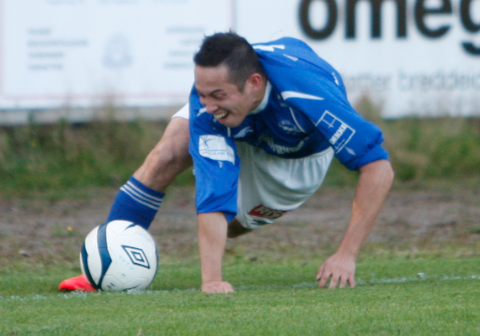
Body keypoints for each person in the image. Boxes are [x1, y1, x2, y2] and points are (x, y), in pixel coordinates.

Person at [60, 33, 394, 292]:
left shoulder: (308, 96)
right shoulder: (209, 102)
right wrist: (212, 281)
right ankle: (102, 265)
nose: (206, 105)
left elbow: (378, 167)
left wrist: (345, 255)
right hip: (242, 120)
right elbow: (214, 190)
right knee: (168, 153)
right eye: (202, 93)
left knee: (231, 227)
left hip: (297, 157)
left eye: (217, 95)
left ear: (253, 84)